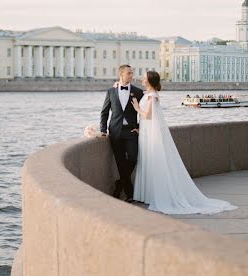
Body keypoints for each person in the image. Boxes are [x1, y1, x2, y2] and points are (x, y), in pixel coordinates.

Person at [131, 70, 236, 215]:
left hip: (150, 134)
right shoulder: (148, 94)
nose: (141, 80)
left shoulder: (151, 95)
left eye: (144, 78)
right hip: (147, 133)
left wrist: (136, 108)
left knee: (153, 162)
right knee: (149, 162)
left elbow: (148, 116)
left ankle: (154, 195)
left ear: (149, 81)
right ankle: (149, 194)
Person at [100, 65, 144, 202]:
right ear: (121, 74)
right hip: (115, 131)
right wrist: (103, 130)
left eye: (132, 73)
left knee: (133, 158)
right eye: (129, 73)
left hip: (131, 131)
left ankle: (120, 183)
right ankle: (129, 193)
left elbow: (143, 112)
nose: (132, 75)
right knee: (120, 161)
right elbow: (105, 112)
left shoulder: (138, 91)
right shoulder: (110, 91)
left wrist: (139, 127)